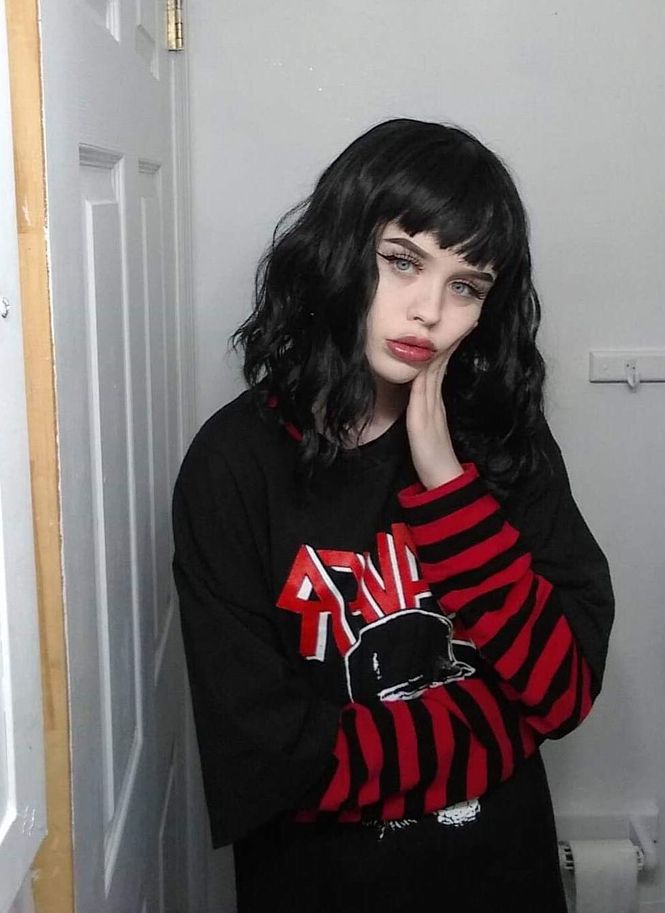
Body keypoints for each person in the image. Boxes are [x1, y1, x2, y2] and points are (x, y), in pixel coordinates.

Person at [172, 118, 615, 912]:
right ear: (340, 247)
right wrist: (505, 726)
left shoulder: (500, 437)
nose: (429, 311)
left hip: (505, 883)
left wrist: (446, 482)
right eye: (403, 260)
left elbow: (565, 687)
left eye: (466, 285)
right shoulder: (233, 464)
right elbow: (268, 763)